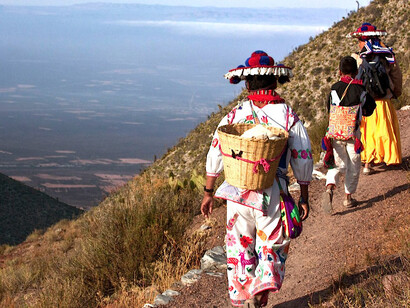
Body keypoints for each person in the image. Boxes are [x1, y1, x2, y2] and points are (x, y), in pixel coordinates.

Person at [200, 51, 313, 308]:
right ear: (273, 82)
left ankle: (243, 297)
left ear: (248, 83)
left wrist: (208, 192)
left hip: (237, 192)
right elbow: (303, 155)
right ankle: (260, 293)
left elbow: (216, 150)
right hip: (271, 190)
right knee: (271, 243)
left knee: (240, 246)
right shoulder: (287, 116)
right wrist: (303, 194)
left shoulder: (235, 115)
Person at [321, 56, 376, 213]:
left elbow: (328, 108)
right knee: (353, 164)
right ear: (357, 71)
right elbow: (370, 108)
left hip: (335, 133)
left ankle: (330, 188)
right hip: (353, 134)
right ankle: (348, 198)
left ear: (339, 72)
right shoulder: (360, 88)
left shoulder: (334, 88)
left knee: (337, 164)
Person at [347, 22, 403, 174]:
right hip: (384, 101)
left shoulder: (359, 59)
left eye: (359, 41)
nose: (358, 44)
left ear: (364, 41)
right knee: (384, 130)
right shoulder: (388, 56)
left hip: (367, 102)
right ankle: (390, 158)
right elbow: (396, 76)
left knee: (368, 132)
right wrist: (396, 92)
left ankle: (367, 163)